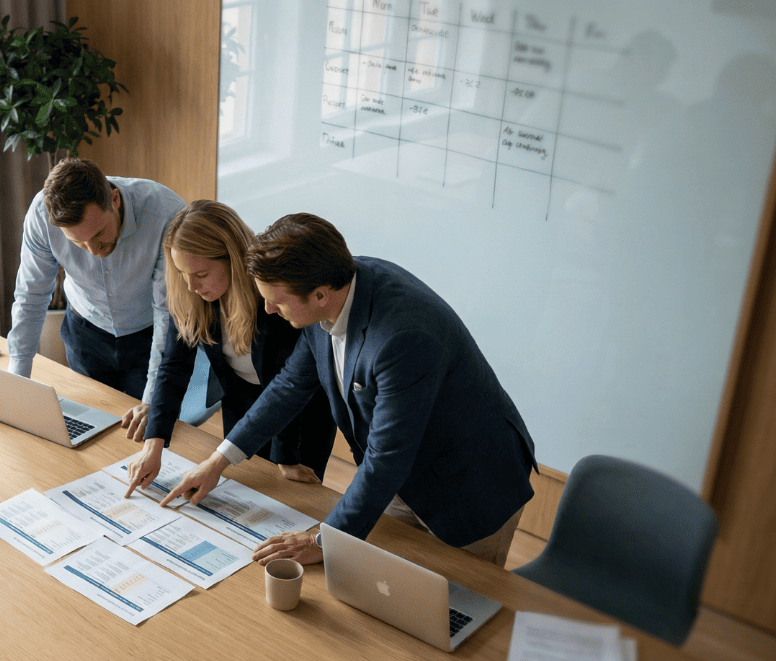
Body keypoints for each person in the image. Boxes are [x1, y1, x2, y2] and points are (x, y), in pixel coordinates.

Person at [164, 213, 536, 568]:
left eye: (275, 300)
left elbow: (386, 458)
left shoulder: (402, 338)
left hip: (469, 488)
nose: (268, 309)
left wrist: (321, 541)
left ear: (321, 295)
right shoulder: (323, 285)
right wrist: (218, 461)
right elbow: (289, 386)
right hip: (399, 481)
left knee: (456, 612)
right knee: (386, 591)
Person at [123, 201, 335, 496]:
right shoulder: (192, 293)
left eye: (201, 274)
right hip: (240, 397)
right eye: (182, 273)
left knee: (290, 498)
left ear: (232, 258)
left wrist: (286, 457)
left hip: (301, 413)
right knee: (241, 487)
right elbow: (173, 367)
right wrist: (153, 445)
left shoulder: (273, 296)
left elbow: (289, 385)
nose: (191, 286)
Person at [0, 158, 185, 435]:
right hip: (85, 333)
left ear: (114, 199)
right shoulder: (41, 216)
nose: (93, 250)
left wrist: (151, 400)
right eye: (78, 242)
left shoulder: (165, 214)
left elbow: (166, 312)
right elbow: (31, 295)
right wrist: (17, 379)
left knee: (146, 432)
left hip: (148, 338)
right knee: (87, 433)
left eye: (99, 234)